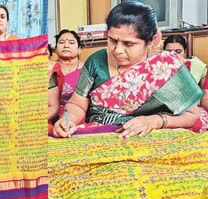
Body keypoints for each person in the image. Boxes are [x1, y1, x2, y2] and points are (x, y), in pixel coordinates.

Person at [53, 1, 202, 138]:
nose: (117, 50)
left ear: (151, 41)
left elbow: (191, 115)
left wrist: (153, 121)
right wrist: (68, 119)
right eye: (112, 40)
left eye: (128, 44)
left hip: (150, 135)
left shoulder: (166, 66)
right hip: (99, 135)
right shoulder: (96, 61)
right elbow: (77, 104)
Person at [164, 35, 208, 131]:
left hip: (191, 109)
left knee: (198, 124)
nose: (173, 55)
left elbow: (205, 96)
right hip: (165, 109)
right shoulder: (159, 67)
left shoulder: (197, 66)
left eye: (178, 52)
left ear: (185, 52)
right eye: (168, 52)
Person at [49, 30, 84, 120]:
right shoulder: (49, 69)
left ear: (79, 49)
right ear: (56, 49)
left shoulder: (87, 70)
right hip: (50, 116)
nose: (66, 45)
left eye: (71, 42)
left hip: (77, 117)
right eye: (61, 42)